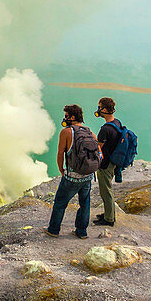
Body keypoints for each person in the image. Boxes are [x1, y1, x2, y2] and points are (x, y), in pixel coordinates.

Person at [44, 104, 98, 239]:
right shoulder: (90, 133)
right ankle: (81, 232)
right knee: (85, 204)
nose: (65, 118)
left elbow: (60, 152)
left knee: (60, 203)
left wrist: (61, 169)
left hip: (72, 177)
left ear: (72, 117)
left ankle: (53, 230)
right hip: (87, 176)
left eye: (66, 115)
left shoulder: (67, 132)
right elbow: (99, 153)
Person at [93, 96, 122, 226]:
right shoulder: (117, 122)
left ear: (104, 109)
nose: (98, 110)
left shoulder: (105, 129)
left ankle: (109, 219)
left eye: (99, 107)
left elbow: (98, 147)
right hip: (113, 162)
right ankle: (108, 214)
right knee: (106, 190)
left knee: (106, 191)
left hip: (105, 165)